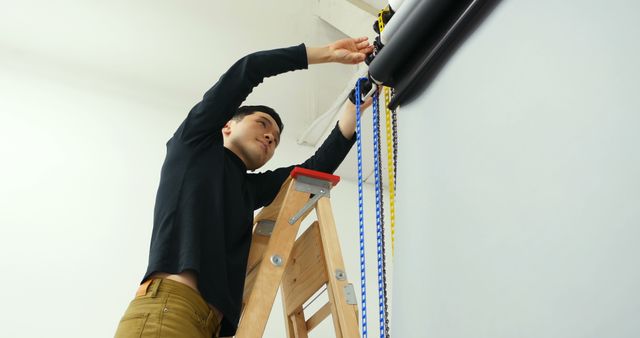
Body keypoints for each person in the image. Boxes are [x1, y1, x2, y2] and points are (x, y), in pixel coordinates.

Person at [114, 37, 373, 338]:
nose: (269, 138)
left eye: (275, 139)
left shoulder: (247, 189)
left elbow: (314, 170)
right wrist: (327, 54)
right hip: (172, 310)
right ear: (227, 126)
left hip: (209, 324)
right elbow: (249, 69)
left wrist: (355, 108)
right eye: (262, 124)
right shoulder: (193, 145)